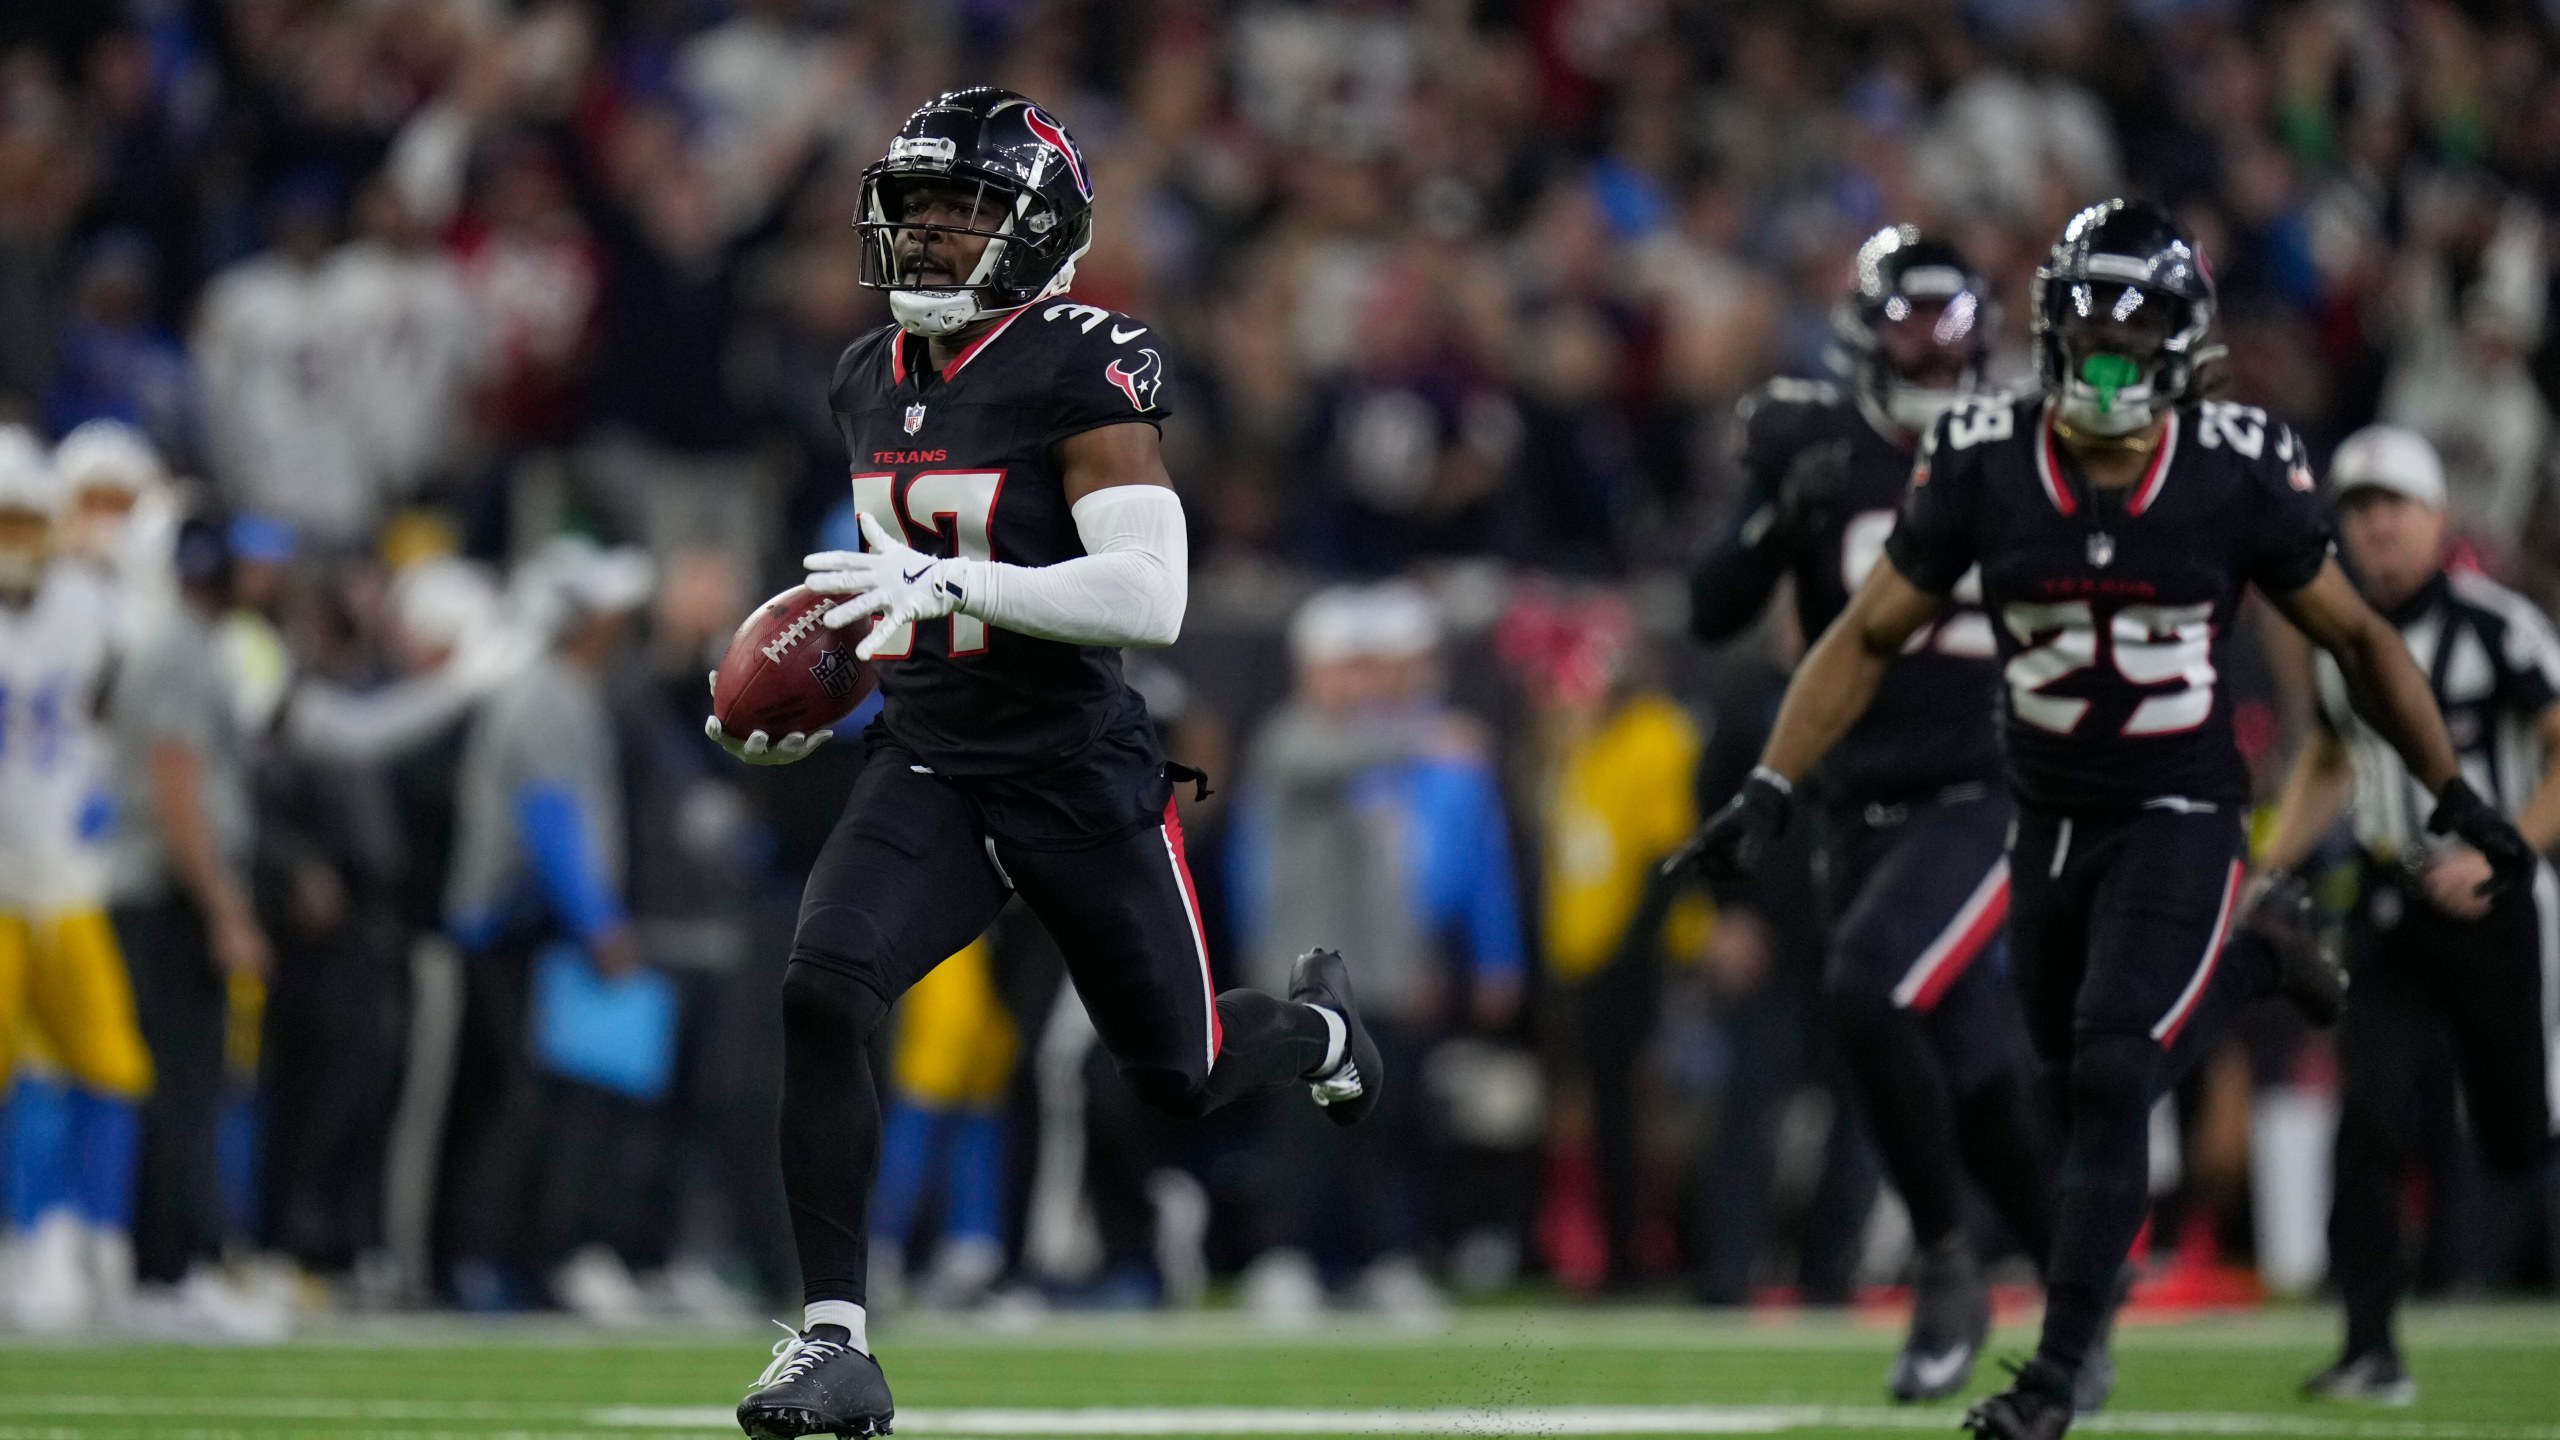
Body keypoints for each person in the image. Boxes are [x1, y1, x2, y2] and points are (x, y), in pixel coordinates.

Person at [1665, 199, 2533, 1440]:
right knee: (2059, 1092)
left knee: (2116, 1070)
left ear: (2185, 350)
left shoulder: (2235, 462)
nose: (2109, 365)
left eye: (2136, 340)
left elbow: (2356, 636)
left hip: (2176, 808)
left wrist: (2453, 794)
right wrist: (1766, 787)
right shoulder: (1983, 451)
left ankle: (2055, 1373)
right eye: (2089, 335)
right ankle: (2246, 967)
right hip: (2046, 811)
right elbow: (1863, 634)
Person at [705, 89, 1384, 1440]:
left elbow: (1151, 595)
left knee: (1177, 1074)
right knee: (824, 985)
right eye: (916, 212)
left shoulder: (1086, 357)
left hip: (1075, 769)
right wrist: (806, 680)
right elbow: (896, 604)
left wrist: (954, 574)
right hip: (932, 760)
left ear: (1041, 232)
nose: (933, 239)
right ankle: (835, 1340)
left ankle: (1319, 1030)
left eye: (965, 215)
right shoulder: (862, 378)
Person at [1687, 227, 2067, 1404]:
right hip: (1855, 799)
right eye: (1905, 320)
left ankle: (1944, 1264)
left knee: (1866, 982)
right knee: (1968, 1076)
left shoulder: (2023, 442)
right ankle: (2077, 1287)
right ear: (1862, 329)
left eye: (1944, 322)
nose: (1924, 345)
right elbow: (1712, 611)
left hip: (1987, 782)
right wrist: (1774, 515)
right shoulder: (1821, 444)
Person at [2257, 426, 2559, 1404]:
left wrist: (2502, 849)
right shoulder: (2339, 638)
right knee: (2370, 1119)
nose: (2375, 526)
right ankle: (2368, 1345)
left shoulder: (2493, 627)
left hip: (2502, 909)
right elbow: (2332, 758)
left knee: (2521, 1132)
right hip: (2392, 903)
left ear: (2436, 518)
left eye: (2393, 506)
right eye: (2358, 508)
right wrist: (2264, 867)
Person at [0, 428, 153, 1332]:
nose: (16, 535)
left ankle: (97, 1241)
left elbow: (129, 710)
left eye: (25, 518)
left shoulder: (95, 605)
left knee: (107, 1062)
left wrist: (101, 797)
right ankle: (23, 1240)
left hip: (65, 875)